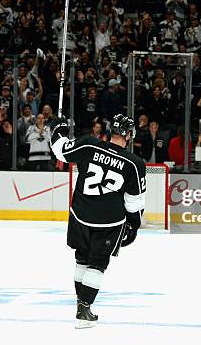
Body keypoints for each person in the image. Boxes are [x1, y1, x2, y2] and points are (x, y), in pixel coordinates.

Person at [50, 114, 146, 329]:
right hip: (109, 222)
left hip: (80, 215)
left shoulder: (88, 144)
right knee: (98, 264)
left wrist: (58, 129)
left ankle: (81, 306)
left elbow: (61, 150)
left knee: (81, 259)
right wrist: (134, 226)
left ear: (111, 130)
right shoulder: (134, 163)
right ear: (129, 135)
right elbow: (134, 203)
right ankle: (84, 311)